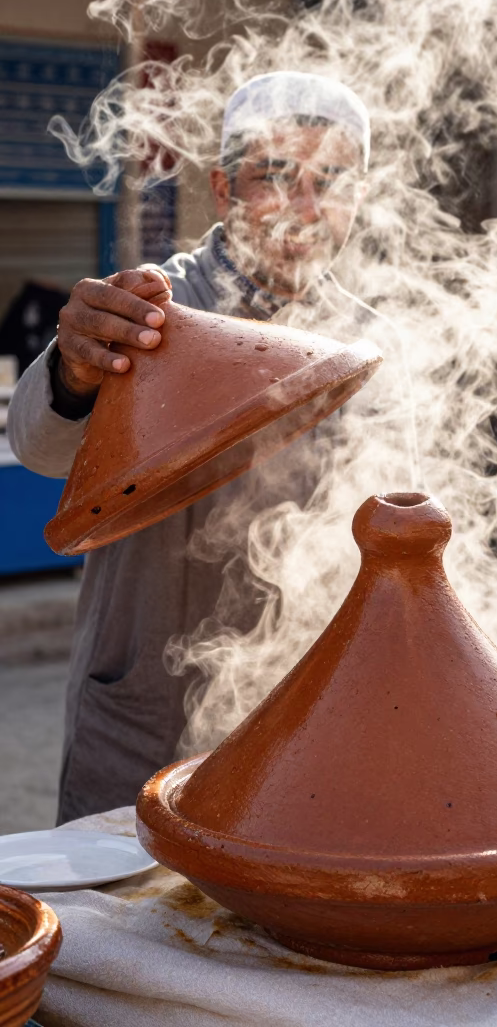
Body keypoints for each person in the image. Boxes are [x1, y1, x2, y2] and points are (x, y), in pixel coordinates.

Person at [8, 71, 370, 821]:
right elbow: (38, 445)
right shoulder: (153, 313)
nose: (306, 209)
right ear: (224, 188)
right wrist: (74, 371)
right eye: (276, 177)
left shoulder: (367, 341)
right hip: (149, 723)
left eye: (331, 181)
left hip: (313, 733)